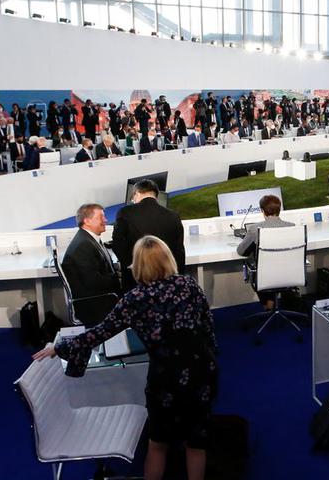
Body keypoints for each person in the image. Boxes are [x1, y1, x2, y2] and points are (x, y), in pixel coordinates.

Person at [34, 236, 217, 480]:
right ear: (168, 259)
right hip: (202, 373)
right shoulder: (190, 285)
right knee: (196, 442)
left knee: (158, 443)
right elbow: (208, 329)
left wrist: (60, 347)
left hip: (166, 381)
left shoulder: (134, 299)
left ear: (138, 266)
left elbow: (100, 332)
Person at [60, 204, 122, 325]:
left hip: (101, 297)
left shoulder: (89, 239)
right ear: (87, 221)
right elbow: (93, 282)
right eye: (101, 217)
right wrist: (119, 280)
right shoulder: (84, 245)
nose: (106, 220)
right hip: (95, 305)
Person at [112, 179, 186, 278]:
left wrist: (133, 267)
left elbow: (118, 244)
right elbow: (179, 251)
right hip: (167, 278)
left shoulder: (125, 212)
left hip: (137, 278)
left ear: (137, 193)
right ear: (156, 195)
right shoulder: (173, 216)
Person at [235, 195, 295, 310]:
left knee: (257, 266)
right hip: (289, 273)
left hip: (265, 276)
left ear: (262, 211)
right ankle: (271, 302)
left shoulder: (255, 229)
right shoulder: (292, 226)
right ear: (279, 209)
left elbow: (241, 251)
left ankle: (268, 303)